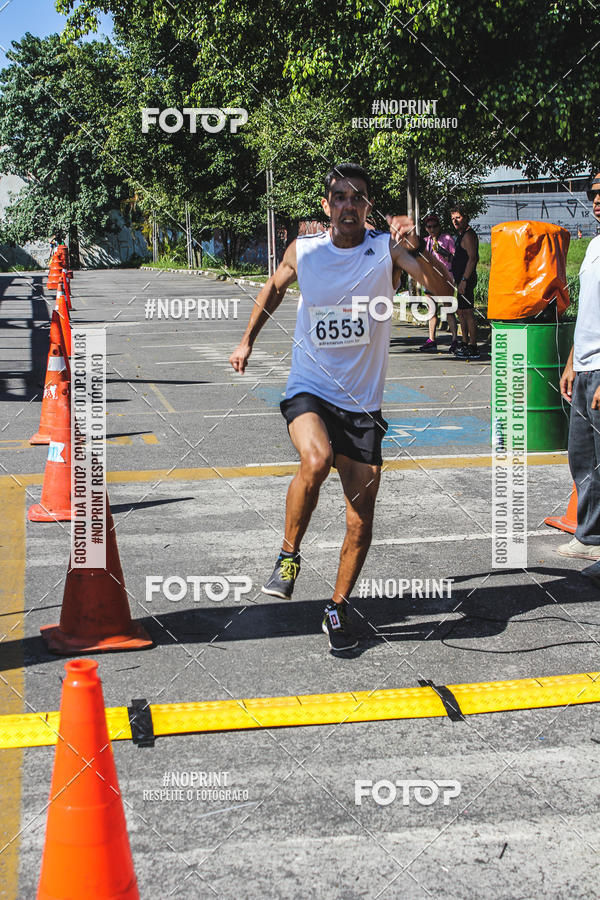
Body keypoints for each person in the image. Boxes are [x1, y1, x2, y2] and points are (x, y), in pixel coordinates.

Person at [229, 162, 448, 651]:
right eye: (340, 197)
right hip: (310, 387)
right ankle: (289, 556)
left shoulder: (385, 251)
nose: (350, 205)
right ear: (327, 206)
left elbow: (441, 290)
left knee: (360, 519)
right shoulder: (304, 252)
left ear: (368, 207)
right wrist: (246, 340)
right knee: (316, 458)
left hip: (363, 406)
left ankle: (338, 607)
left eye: (359, 197)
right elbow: (273, 289)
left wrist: (418, 247)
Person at [557, 172, 600, 560]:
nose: (597, 199)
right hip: (586, 366)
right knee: (582, 456)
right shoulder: (593, 248)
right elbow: (587, 312)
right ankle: (590, 537)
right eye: (593, 193)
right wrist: (572, 361)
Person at [419, 212, 459, 353]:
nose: (432, 229)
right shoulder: (425, 241)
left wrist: (443, 252)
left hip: (444, 277)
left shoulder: (447, 239)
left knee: (448, 308)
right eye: (429, 227)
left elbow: (455, 259)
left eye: (435, 226)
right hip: (430, 278)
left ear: (439, 226)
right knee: (431, 310)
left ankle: (455, 339)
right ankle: (431, 339)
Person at [450, 205, 480, 359]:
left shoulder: (468, 235)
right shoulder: (461, 235)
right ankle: (465, 341)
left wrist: (464, 280)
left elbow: (473, 258)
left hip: (466, 279)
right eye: (453, 218)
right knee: (461, 311)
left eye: (458, 217)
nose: (455, 221)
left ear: (466, 217)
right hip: (460, 278)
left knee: (467, 311)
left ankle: (473, 346)